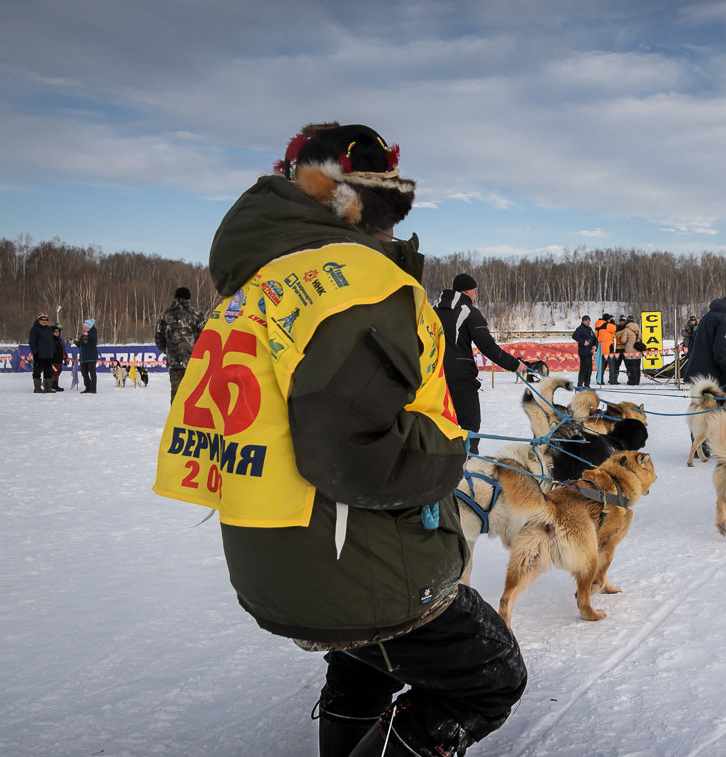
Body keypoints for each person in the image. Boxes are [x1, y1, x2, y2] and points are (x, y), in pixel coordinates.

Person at [153, 122, 526, 757]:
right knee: (489, 678)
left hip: (274, 553)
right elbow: (356, 451)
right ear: (354, 202)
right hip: (352, 556)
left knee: (365, 658)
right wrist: (447, 447)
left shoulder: (258, 282)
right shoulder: (358, 283)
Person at [434, 273, 528, 456]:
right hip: (461, 379)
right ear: (467, 291)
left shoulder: (432, 309)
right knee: (469, 426)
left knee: (441, 426)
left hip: (434, 379)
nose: (476, 296)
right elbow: (488, 346)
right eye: (475, 292)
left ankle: (441, 469)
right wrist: (515, 364)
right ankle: (469, 471)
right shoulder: (468, 311)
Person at [683, 289, 726, 390]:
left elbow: (692, 345)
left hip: (698, 377)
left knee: (700, 406)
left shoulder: (707, 316)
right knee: (716, 405)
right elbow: (722, 352)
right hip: (712, 378)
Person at [155, 287, 208, 402]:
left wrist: (170, 351)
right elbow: (205, 338)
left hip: (174, 363)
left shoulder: (165, 315)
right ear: (189, 298)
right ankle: (192, 419)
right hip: (193, 362)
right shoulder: (197, 315)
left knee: (176, 395)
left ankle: (176, 419)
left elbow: (159, 338)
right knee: (193, 394)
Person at [27, 312, 56, 393]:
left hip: (49, 355)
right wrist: (35, 353)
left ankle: (47, 388)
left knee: (48, 372)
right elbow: (32, 342)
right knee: (37, 371)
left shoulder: (49, 329)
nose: (44, 321)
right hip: (39, 355)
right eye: (42, 319)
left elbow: (60, 328)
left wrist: (53, 351)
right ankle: (37, 388)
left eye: (46, 319)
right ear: (38, 320)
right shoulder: (34, 329)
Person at [572, 315, 596, 389]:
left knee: (589, 369)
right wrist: (583, 342)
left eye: (589, 321)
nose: (588, 322)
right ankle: (580, 384)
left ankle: (587, 384)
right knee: (584, 369)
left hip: (589, 352)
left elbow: (595, 339)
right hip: (583, 352)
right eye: (586, 321)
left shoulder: (590, 329)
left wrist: (595, 346)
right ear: (583, 321)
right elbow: (574, 336)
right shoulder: (580, 329)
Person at [619, 315, 643, 385]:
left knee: (631, 367)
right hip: (637, 350)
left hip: (629, 351)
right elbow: (640, 337)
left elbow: (623, 340)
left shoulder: (626, 329)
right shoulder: (638, 328)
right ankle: (637, 381)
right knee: (637, 366)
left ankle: (632, 381)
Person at [594, 313, 616, 386]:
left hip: (600, 348)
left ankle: (599, 380)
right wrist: (613, 324)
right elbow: (616, 329)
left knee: (601, 365)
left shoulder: (597, 325)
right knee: (612, 365)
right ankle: (612, 380)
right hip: (608, 348)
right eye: (609, 319)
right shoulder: (607, 325)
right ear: (607, 319)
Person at [78, 318, 98, 394]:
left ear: (87, 326)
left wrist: (87, 335)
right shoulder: (84, 333)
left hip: (91, 357)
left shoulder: (93, 331)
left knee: (92, 373)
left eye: (83, 325)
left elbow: (93, 338)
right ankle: (87, 387)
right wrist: (73, 342)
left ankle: (93, 389)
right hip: (83, 357)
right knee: (84, 373)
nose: (82, 326)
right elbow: (80, 344)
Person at [49, 324, 68, 392]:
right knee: (53, 373)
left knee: (58, 372)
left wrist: (65, 358)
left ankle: (55, 385)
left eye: (58, 332)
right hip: (53, 360)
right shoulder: (51, 340)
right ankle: (50, 385)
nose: (56, 333)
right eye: (55, 332)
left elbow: (63, 350)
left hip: (59, 359)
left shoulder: (60, 340)